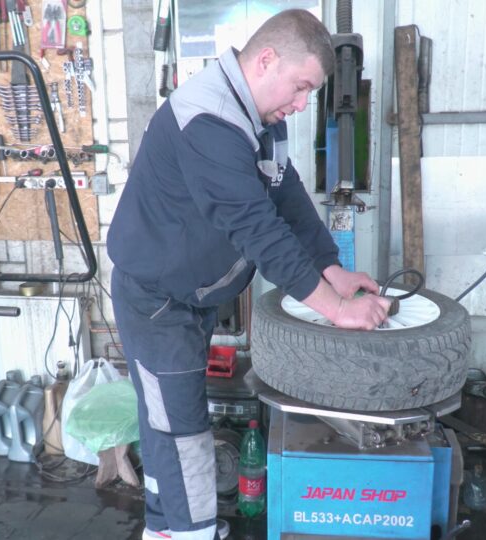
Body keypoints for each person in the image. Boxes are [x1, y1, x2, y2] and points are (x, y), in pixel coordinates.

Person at [107, 9, 391, 540]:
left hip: (189, 295)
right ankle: (188, 532)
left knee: (166, 420)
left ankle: (162, 529)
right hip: (156, 300)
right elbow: (256, 228)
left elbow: (286, 195)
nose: (302, 104)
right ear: (266, 60)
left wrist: (331, 268)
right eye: (301, 87)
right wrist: (335, 309)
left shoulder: (259, 117)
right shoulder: (209, 121)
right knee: (181, 430)